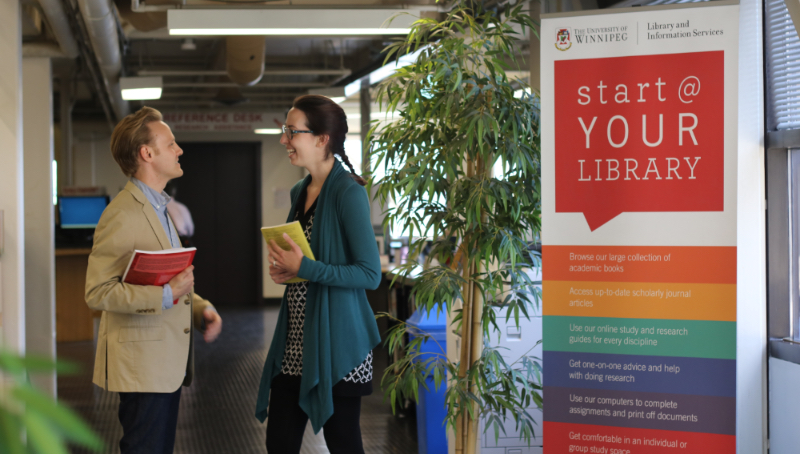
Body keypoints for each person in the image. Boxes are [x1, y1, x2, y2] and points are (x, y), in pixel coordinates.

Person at [85, 106, 223, 454]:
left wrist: (200, 308)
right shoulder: (121, 214)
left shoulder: (159, 208)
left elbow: (170, 277)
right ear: (147, 154)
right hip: (142, 366)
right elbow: (97, 292)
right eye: (171, 144)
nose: (179, 150)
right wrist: (165, 294)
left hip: (161, 363)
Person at [255, 95, 382, 453]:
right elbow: (310, 263)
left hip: (339, 343)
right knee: (279, 441)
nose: (284, 140)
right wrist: (289, 272)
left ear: (322, 138)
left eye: (291, 131)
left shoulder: (348, 192)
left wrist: (305, 268)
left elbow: (369, 274)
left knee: (342, 441)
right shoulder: (300, 191)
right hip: (296, 339)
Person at [165, 181, 195, 247]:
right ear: (174, 192)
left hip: (166, 243)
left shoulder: (159, 206)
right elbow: (190, 230)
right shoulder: (182, 207)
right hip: (182, 241)